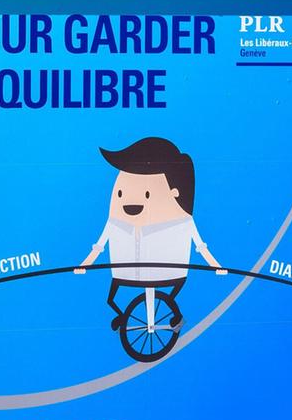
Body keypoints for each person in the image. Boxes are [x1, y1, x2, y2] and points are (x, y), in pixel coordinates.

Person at [76, 136, 221, 345]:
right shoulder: (116, 223)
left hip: (167, 270)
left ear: (175, 192)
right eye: (120, 193)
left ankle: (176, 317)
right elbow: (100, 245)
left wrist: (215, 266)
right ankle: (122, 317)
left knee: (165, 295)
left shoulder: (183, 222)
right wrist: (85, 264)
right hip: (128, 271)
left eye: (146, 194)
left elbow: (199, 245)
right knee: (111, 300)